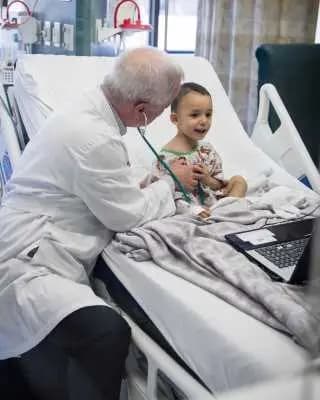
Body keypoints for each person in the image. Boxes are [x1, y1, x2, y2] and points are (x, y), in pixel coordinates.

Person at [0, 47, 203, 400]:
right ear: (142, 110)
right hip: (28, 260)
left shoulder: (89, 109)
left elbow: (103, 179)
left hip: (35, 237)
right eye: (159, 110)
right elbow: (125, 216)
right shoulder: (93, 136)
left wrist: (148, 182)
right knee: (105, 331)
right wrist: (171, 185)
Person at [152, 82, 247, 218]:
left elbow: (218, 185)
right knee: (177, 202)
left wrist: (208, 179)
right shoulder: (165, 158)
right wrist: (193, 208)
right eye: (195, 115)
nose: (204, 121)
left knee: (239, 181)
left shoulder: (207, 150)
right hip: (190, 205)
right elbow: (166, 194)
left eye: (208, 114)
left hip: (215, 202)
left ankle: (225, 212)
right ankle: (220, 214)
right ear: (175, 119)